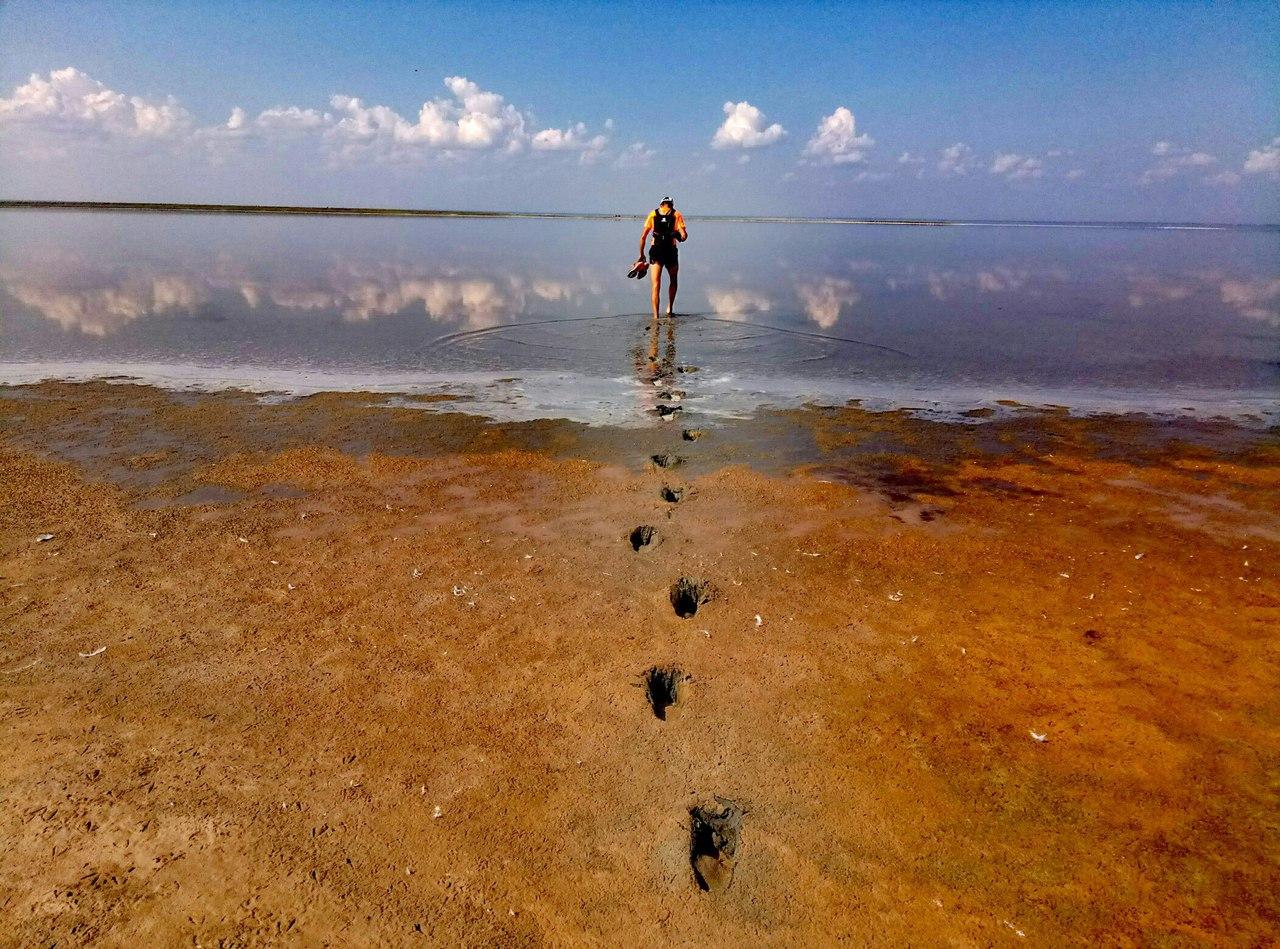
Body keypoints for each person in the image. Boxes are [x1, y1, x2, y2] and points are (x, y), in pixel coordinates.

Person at [637, 196, 688, 319]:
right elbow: (684, 236)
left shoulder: (653, 214)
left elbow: (643, 237)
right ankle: (670, 308)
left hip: (656, 250)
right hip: (670, 251)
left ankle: (655, 316)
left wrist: (641, 255)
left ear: (661, 204)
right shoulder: (677, 214)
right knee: (673, 280)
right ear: (671, 205)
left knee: (655, 285)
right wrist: (678, 234)